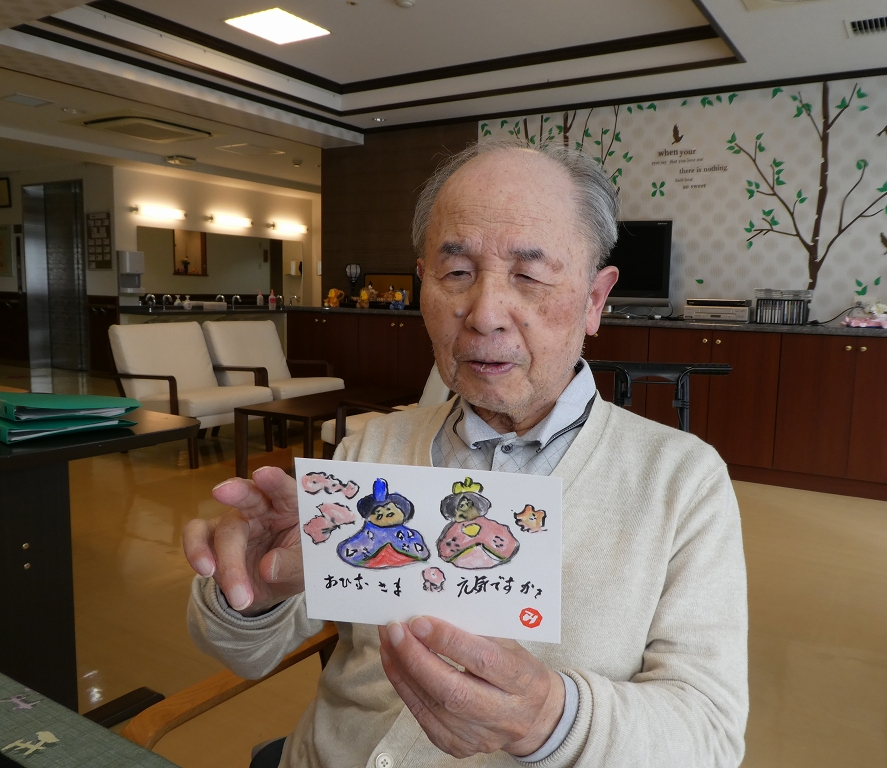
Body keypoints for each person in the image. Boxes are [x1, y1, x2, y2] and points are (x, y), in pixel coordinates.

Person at [184, 140, 748, 768]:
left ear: (594, 298)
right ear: (423, 283)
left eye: (529, 276)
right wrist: (253, 591)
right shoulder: (369, 452)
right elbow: (243, 653)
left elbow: (710, 740)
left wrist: (548, 719)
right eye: (456, 272)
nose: (484, 315)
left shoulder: (681, 483)